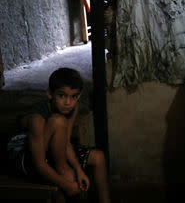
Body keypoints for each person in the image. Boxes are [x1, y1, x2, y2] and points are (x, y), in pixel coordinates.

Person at [7, 68, 110, 203]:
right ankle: (63, 170)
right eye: (62, 95)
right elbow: (39, 165)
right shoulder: (36, 120)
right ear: (50, 94)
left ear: (78, 96)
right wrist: (66, 184)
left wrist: (78, 170)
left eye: (74, 96)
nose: (68, 102)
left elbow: (65, 143)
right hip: (28, 159)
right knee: (58, 121)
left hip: (54, 151)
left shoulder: (73, 108)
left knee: (99, 157)